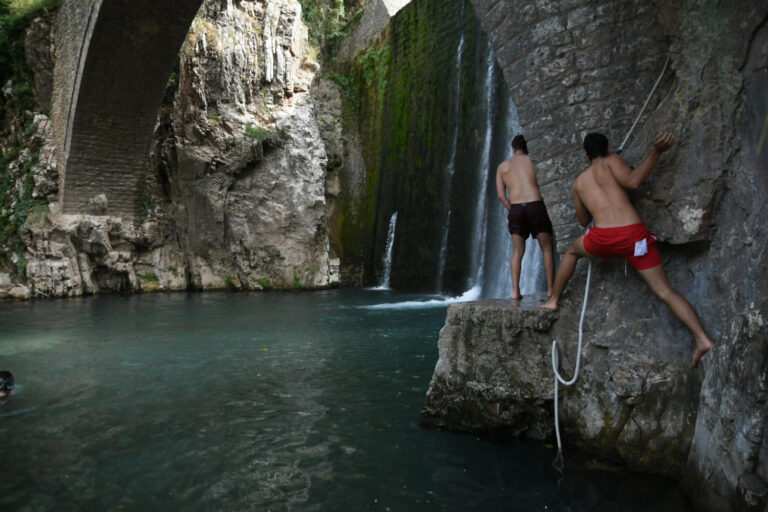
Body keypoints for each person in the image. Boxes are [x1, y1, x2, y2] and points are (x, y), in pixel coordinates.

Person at [540, 133, 714, 366]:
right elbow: (632, 182)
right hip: (633, 237)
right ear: (609, 147)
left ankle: (553, 299)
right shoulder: (613, 161)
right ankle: (701, 338)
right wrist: (656, 152)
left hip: (603, 239)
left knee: (572, 251)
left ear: (585, 156)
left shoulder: (579, 183)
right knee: (664, 291)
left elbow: (583, 221)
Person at [495, 134, 555, 299]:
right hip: (536, 205)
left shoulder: (502, 167)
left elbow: (501, 195)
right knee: (547, 249)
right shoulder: (534, 161)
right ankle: (551, 290)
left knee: (517, 252)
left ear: (513, 149)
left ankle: (515, 291)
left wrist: (511, 209)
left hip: (516, 208)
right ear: (528, 147)